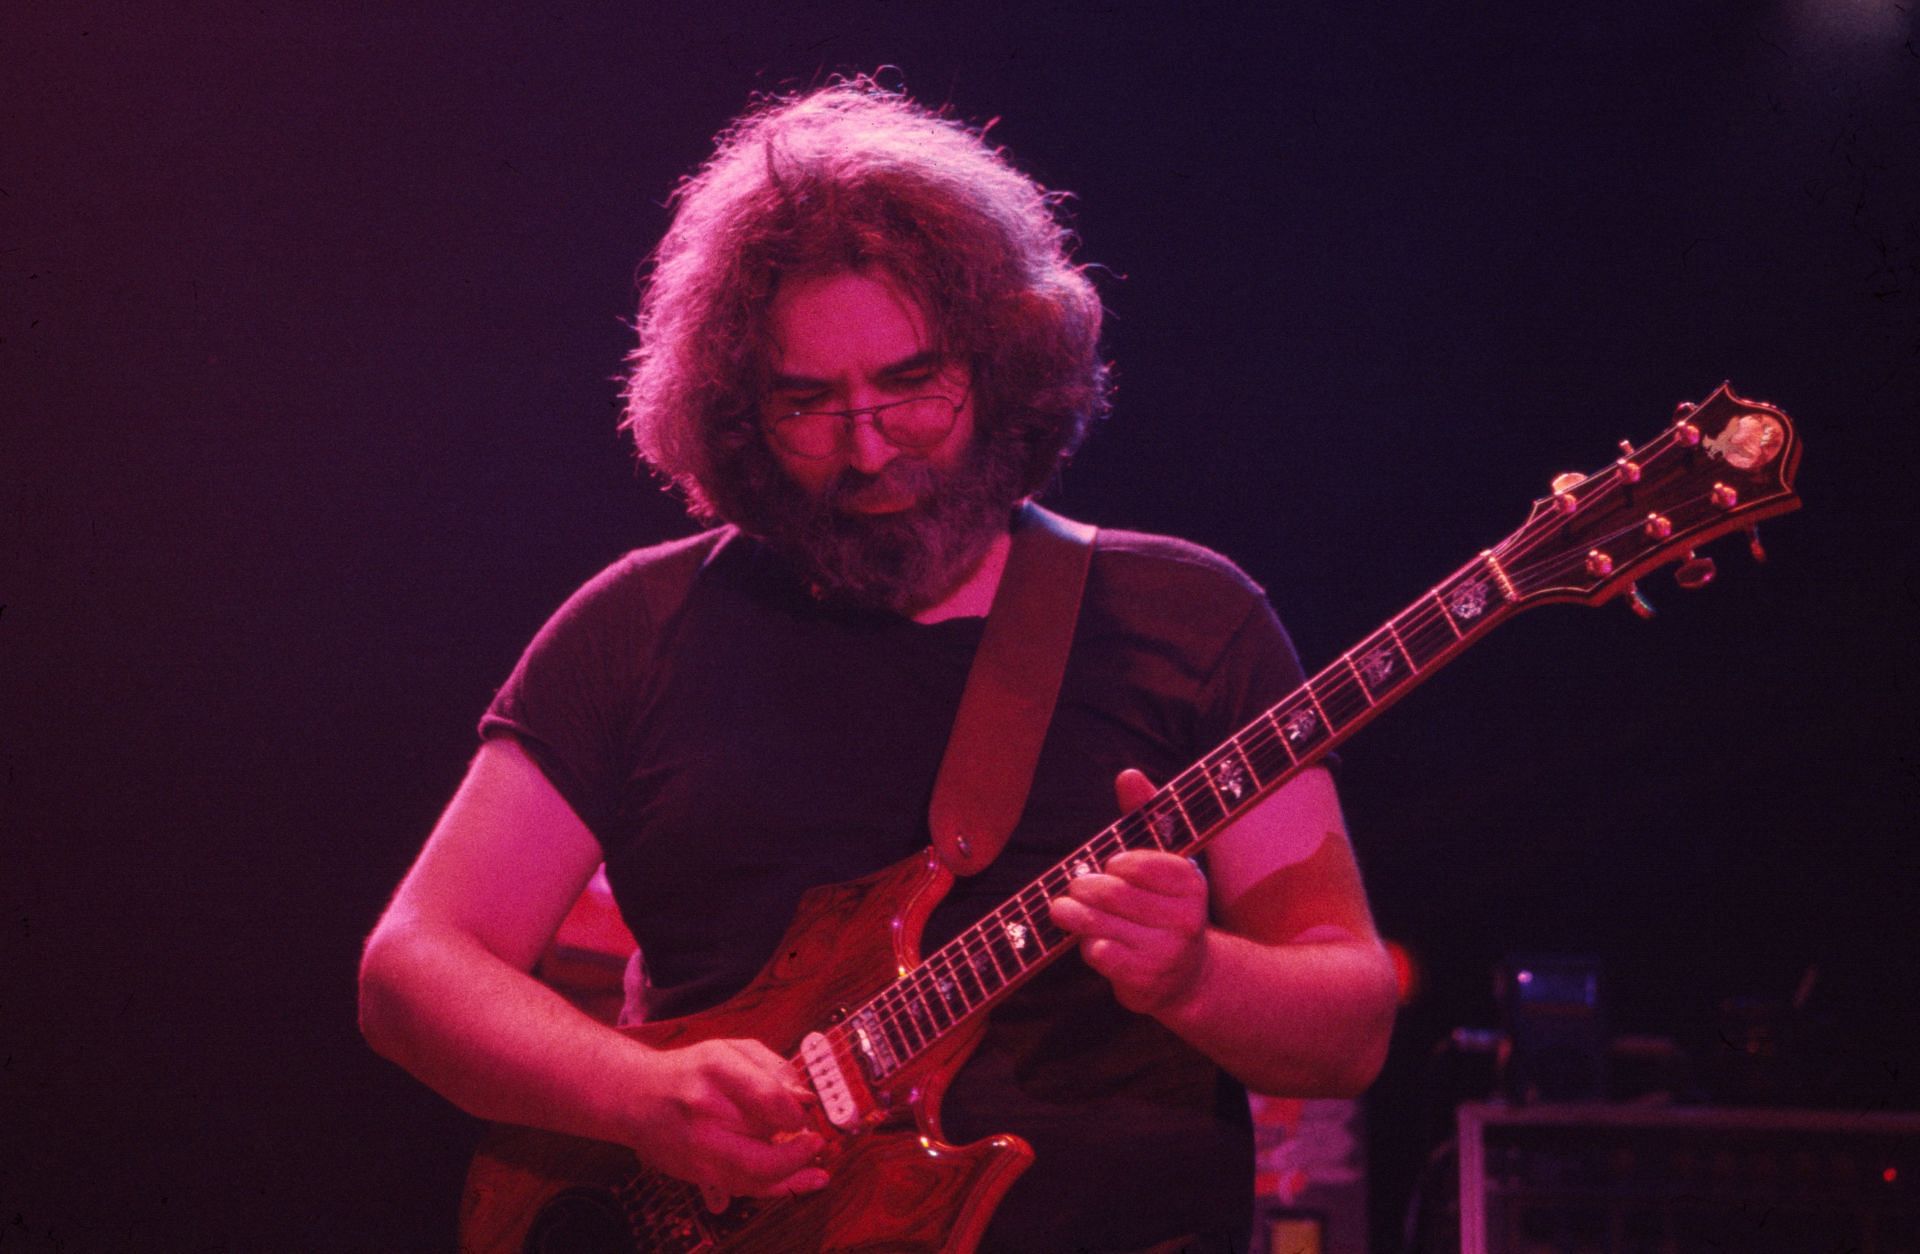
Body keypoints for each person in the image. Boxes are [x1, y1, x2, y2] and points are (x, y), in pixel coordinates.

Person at [358, 79, 1398, 1254]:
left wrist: (1196, 975)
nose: (867, 447)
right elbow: (414, 970)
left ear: (1002, 358)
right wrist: (633, 1097)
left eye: (912, 385)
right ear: (737, 413)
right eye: (808, 404)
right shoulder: (640, 627)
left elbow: (1348, 1026)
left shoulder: (1189, 616)